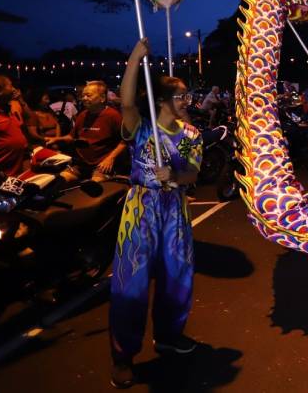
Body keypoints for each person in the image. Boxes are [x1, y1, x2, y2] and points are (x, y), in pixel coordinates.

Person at [109, 39, 204, 389]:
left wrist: (177, 177)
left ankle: (168, 335)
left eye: (187, 97)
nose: (185, 102)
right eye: (179, 97)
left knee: (177, 278)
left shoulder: (193, 134)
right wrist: (134, 58)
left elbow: (194, 172)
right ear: (161, 100)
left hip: (175, 210)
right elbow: (127, 100)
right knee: (130, 284)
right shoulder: (141, 128)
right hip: (141, 209)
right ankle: (122, 355)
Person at [47, 80, 127, 182]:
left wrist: (110, 158)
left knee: (94, 186)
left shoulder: (113, 116)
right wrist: (56, 139)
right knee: (60, 180)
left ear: (102, 98)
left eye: (88, 95)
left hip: (102, 165)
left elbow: (125, 141)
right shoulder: (83, 115)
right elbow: (72, 137)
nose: (84, 98)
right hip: (82, 164)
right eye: (83, 95)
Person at [0, 74, 29, 177]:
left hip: (15, 177)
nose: (14, 89)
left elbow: (29, 121)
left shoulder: (8, 110)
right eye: (10, 86)